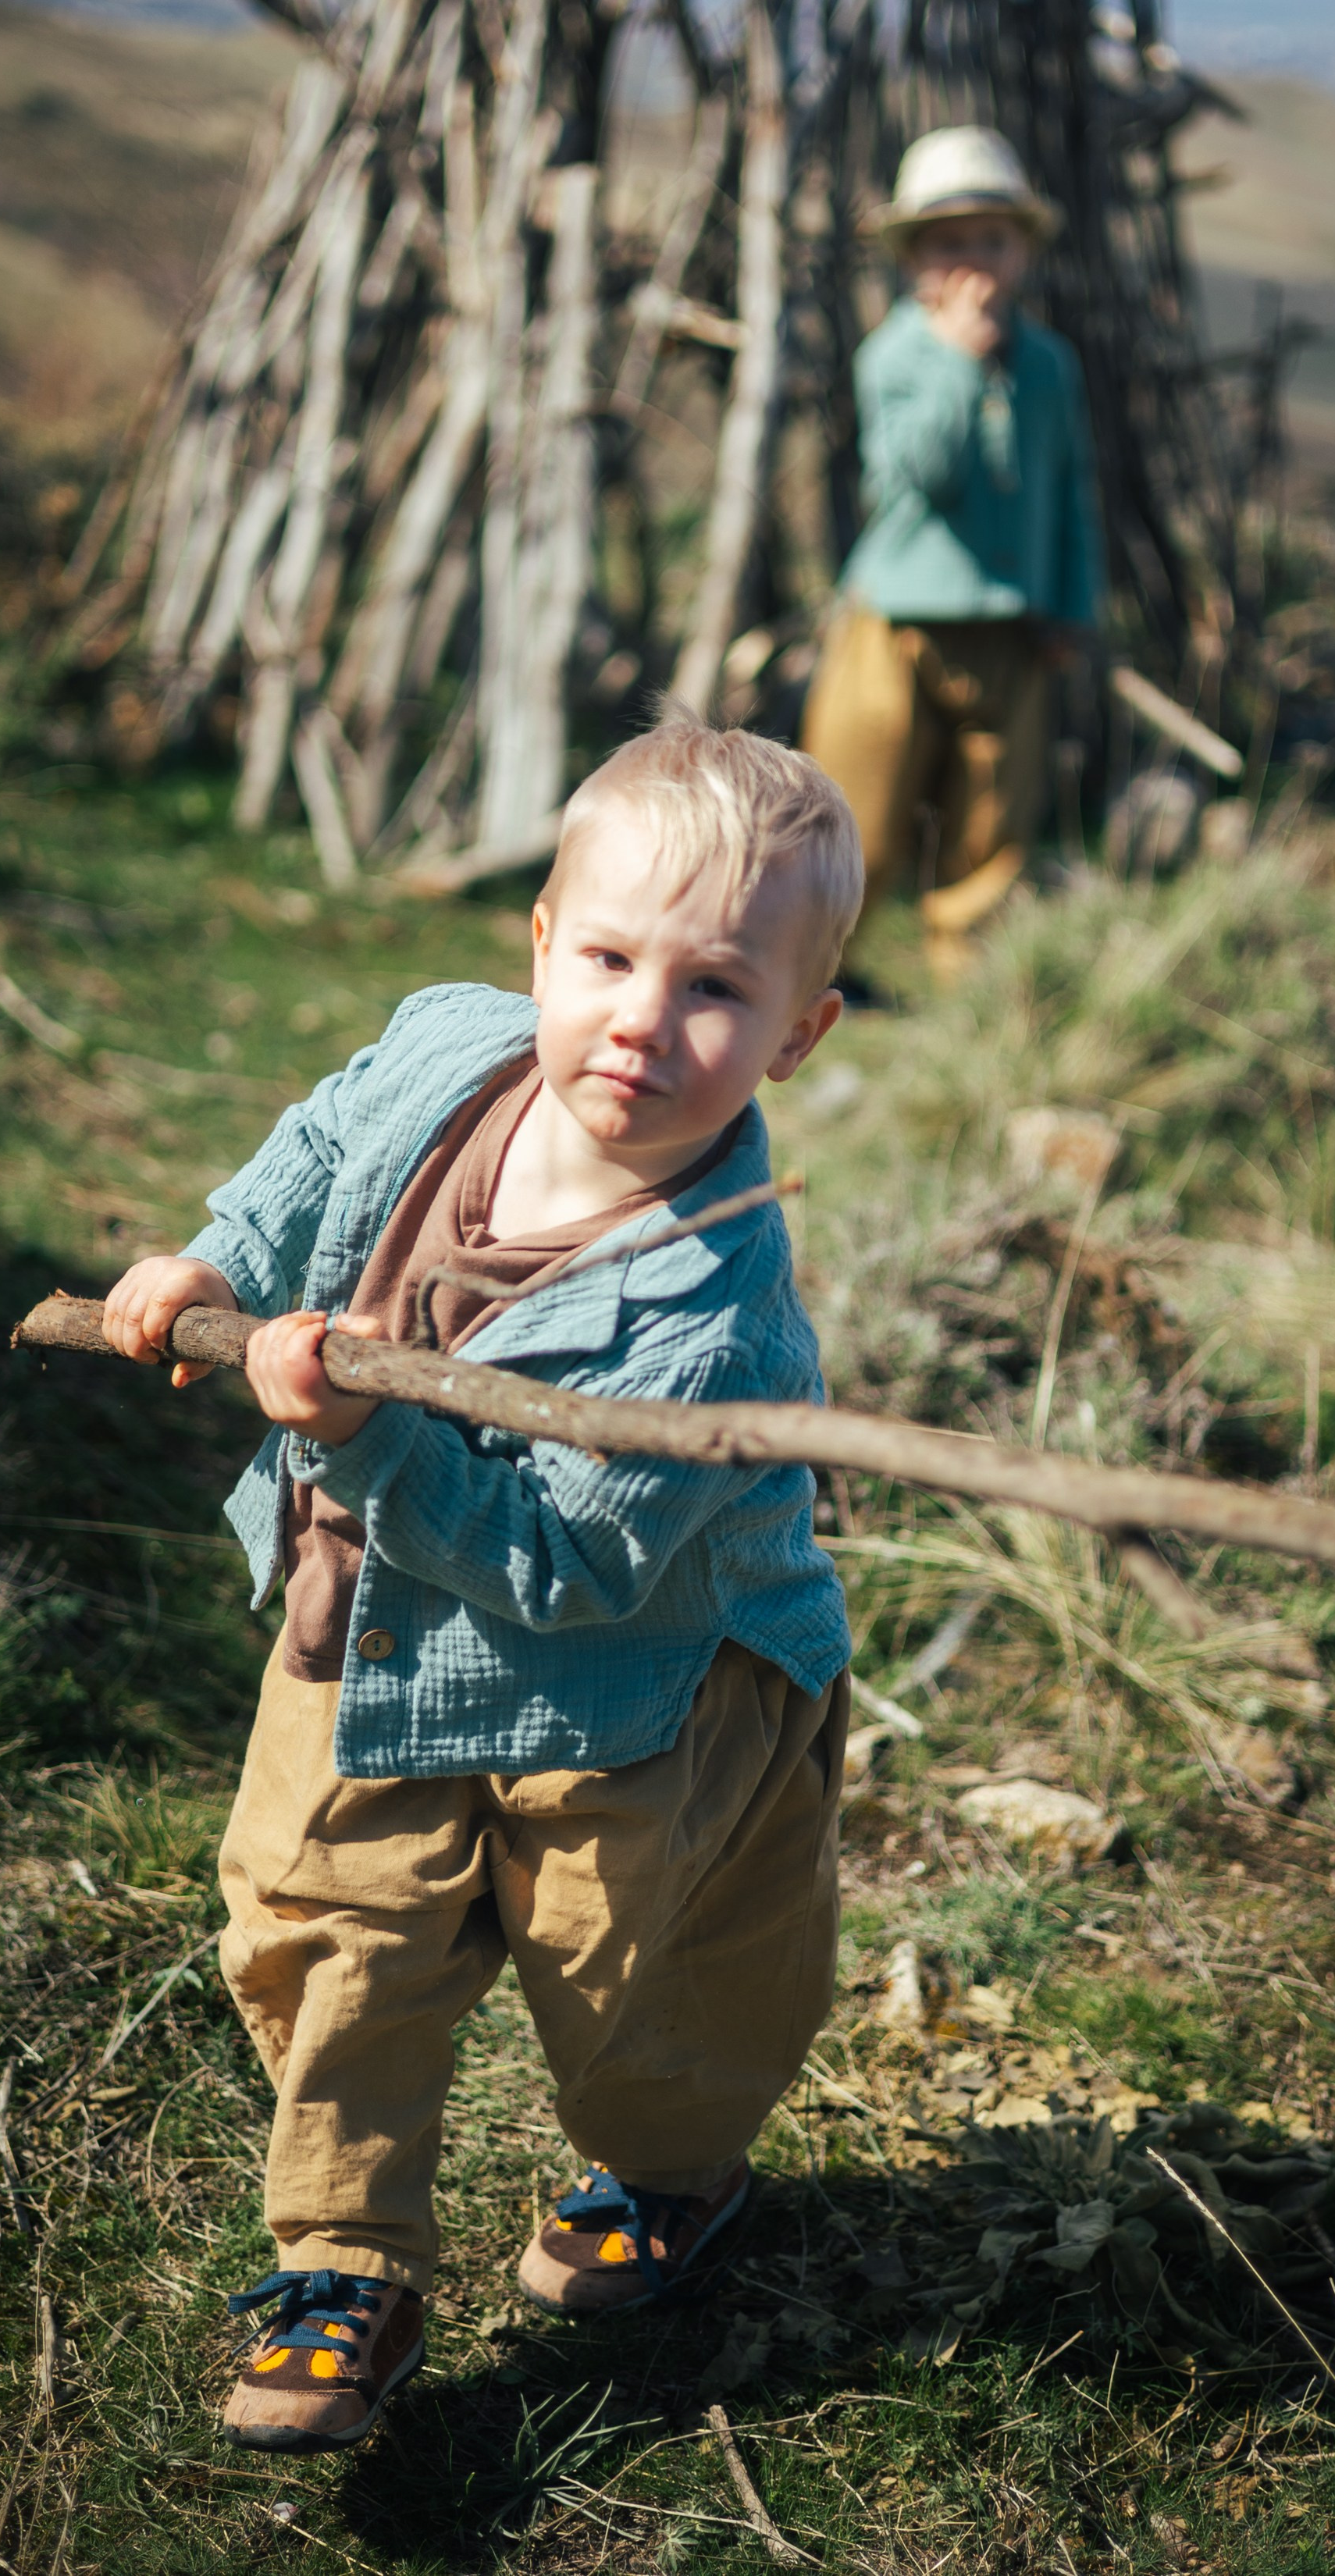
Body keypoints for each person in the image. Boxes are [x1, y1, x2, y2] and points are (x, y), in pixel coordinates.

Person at [99, 714, 863, 2455]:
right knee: (322, 1928)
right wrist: (217, 1255)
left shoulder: (713, 1313)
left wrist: (355, 1440)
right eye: (607, 959)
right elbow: (320, 1150)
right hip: (362, 1630)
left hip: (630, 1690)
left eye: (717, 992)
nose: (641, 1024)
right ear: (540, 941)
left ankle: (669, 2171)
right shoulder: (451, 1051)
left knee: (636, 1981)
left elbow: (567, 1561)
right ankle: (344, 2260)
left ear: (802, 1035)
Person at [801, 124, 1105, 978]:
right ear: (912, 261)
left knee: (993, 819)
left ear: (1022, 253)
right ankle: (818, 970)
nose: (971, 261)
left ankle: (968, 975)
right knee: (859, 803)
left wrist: (1070, 608)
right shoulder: (896, 358)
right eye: (948, 244)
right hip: (896, 618)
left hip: (1010, 623)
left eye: (991, 240)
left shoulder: (1048, 365)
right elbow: (919, 473)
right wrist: (956, 369)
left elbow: (1069, 494)